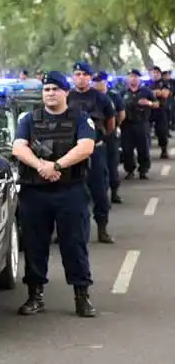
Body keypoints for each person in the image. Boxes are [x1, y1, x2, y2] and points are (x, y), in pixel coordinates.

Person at [12, 71, 97, 318]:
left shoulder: (80, 117)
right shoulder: (29, 118)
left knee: (75, 244)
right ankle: (35, 295)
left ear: (65, 93)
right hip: (35, 192)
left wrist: (56, 165)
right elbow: (19, 147)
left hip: (70, 190)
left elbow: (86, 147)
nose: (50, 93)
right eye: (46, 89)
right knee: (34, 245)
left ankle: (82, 296)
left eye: (55, 89)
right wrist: (42, 166)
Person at [67, 62, 115, 243]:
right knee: (69, 191)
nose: (81, 77)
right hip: (71, 152)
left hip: (95, 150)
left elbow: (111, 122)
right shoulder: (67, 97)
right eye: (77, 74)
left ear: (90, 77)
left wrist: (99, 139)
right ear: (73, 77)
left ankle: (102, 228)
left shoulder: (101, 98)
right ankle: (69, 230)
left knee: (99, 190)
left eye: (84, 74)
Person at [93, 71, 125, 203]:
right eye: (95, 81)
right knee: (97, 167)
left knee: (112, 163)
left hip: (110, 134)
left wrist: (114, 127)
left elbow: (121, 114)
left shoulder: (113, 95)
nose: (97, 84)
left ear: (105, 82)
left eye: (100, 81)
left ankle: (114, 192)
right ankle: (99, 194)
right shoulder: (91, 96)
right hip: (95, 136)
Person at [120, 69, 157, 180]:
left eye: (136, 76)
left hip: (142, 123)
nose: (133, 78)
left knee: (143, 148)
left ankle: (143, 170)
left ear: (139, 78)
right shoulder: (123, 92)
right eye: (131, 76)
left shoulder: (146, 91)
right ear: (127, 78)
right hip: (127, 124)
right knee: (127, 149)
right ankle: (130, 170)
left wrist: (149, 103)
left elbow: (156, 104)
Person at [149, 66, 170, 159]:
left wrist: (152, 92)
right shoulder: (148, 83)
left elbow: (165, 94)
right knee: (145, 131)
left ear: (160, 73)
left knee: (161, 131)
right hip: (149, 110)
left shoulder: (164, 83)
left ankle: (164, 150)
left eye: (156, 72)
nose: (154, 74)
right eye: (153, 72)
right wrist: (157, 92)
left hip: (161, 110)